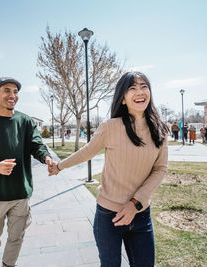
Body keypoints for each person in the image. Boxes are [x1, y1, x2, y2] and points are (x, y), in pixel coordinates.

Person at [49, 71, 169, 267]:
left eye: (143, 86)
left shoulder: (160, 130)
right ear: (122, 99)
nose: (139, 92)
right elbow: (87, 152)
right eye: (132, 88)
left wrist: (135, 203)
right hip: (108, 217)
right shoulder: (110, 127)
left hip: (141, 216)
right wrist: (59, 166)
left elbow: (160, 169)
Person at [0, 77, 55, 267]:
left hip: (20, 192)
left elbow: (37, 145)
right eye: (7, 90)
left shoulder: (25, 121)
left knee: (16, 237)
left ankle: (8, 264)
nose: (12, 95)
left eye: (15, 92)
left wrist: (46, 157)